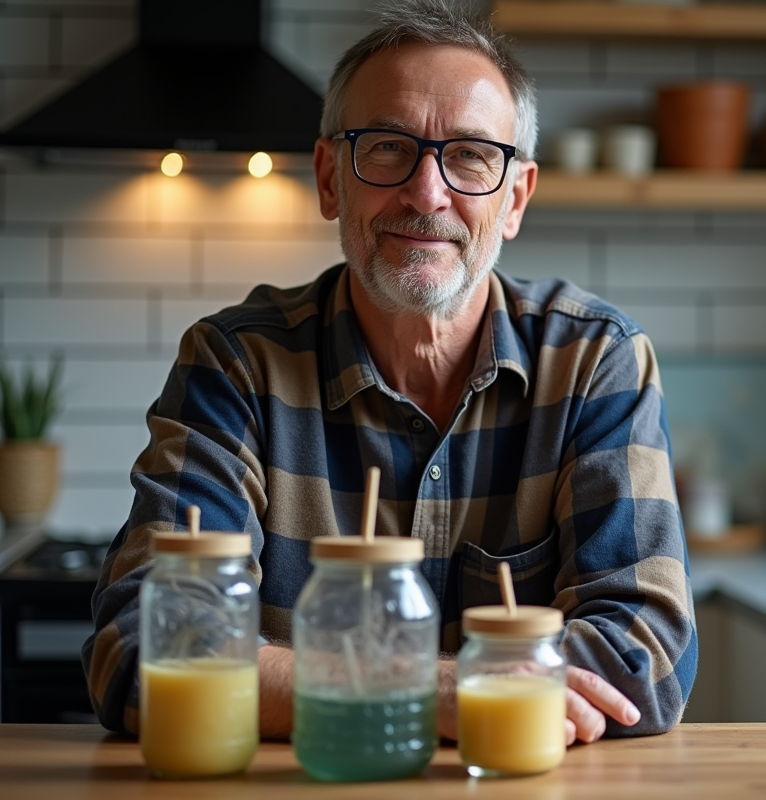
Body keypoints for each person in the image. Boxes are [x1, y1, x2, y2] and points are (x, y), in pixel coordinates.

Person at [82, 0, 696, 745]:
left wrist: (304, 685)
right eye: (386, 147)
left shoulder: (596, 362)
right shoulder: (236, 365)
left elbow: (643, 661)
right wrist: (441, 690)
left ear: (515, 199)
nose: (427, 192)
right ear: (330, 177)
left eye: (471, 154)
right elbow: (144, 654)